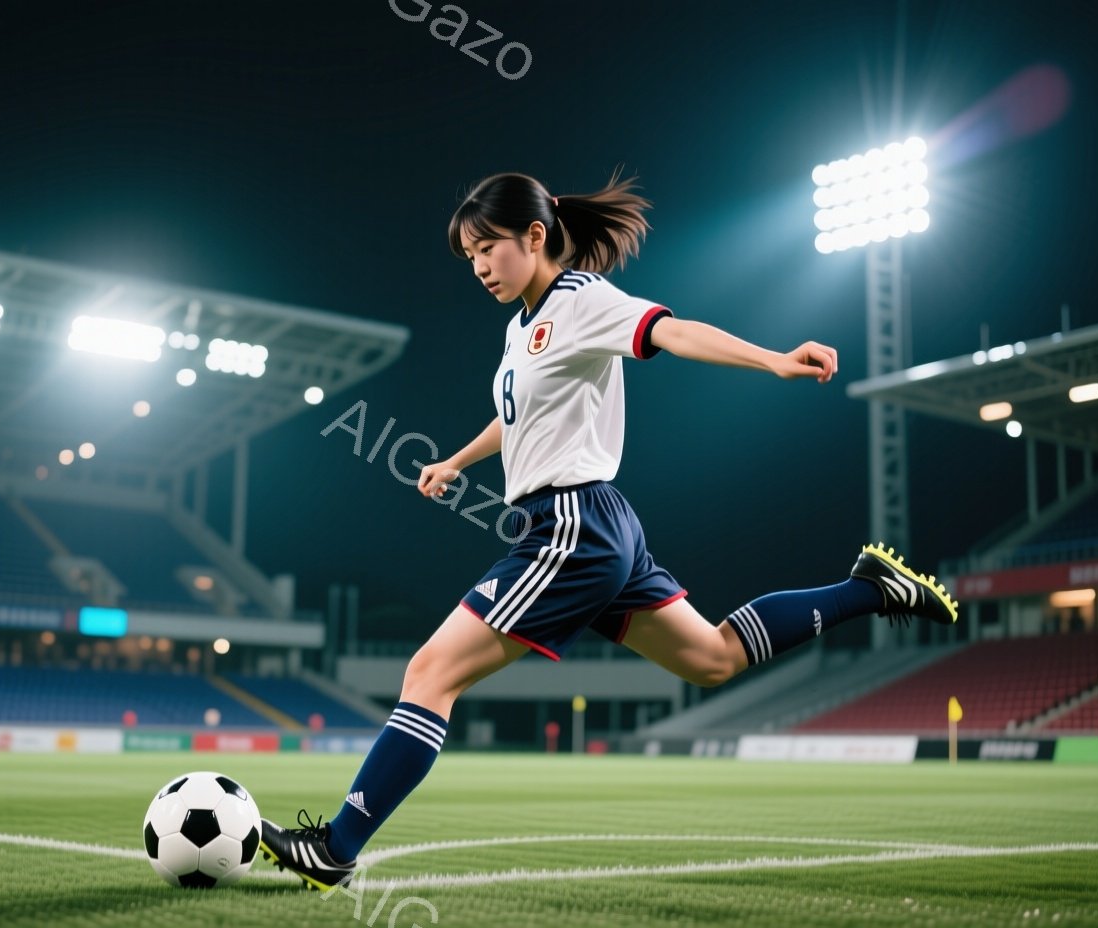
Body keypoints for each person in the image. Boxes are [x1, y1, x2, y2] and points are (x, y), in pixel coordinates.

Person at [259, 171, 958, 890]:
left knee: (429, 674)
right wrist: (455, 461)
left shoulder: (581, 299)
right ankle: (868, 590)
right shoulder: (520, 327)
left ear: (535, 236)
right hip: (599, 528)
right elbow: (518, 418)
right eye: (468, 255)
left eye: (487, 248)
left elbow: (672, 330)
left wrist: (772, 358)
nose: (478, 266)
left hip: (571, 526)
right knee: (713, 659)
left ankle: (336, 849)